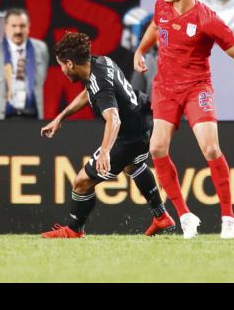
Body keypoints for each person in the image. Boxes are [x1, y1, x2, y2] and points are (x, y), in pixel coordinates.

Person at [133, 0, 234, 239]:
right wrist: (141, 50)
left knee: (211, 149)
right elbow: (157, 26)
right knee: (156, 149)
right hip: (165, 88)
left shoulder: (207, 19)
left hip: (196, 88)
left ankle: (228, 218)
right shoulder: (162, 5)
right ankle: (184, 215)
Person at [39, 32, 175, 238]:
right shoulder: (101, 62)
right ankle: (161, 216)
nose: (62, 70)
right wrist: (61, 117)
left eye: (61, 65)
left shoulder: (99, 83)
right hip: (144, 119)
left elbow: (114, 119)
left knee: (81, 182)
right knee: (134, 165)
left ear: (70, 63)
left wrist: (105, 152)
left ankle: (73, 230)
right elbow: (88, 92)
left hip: (128, 136)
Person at [0, 8, 49, 120]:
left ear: (28, 27)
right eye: (14, 26)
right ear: (5, 27)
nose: (18, 31)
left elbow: (42, 79)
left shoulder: (40, 49)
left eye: (22, 26)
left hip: (31, 117)